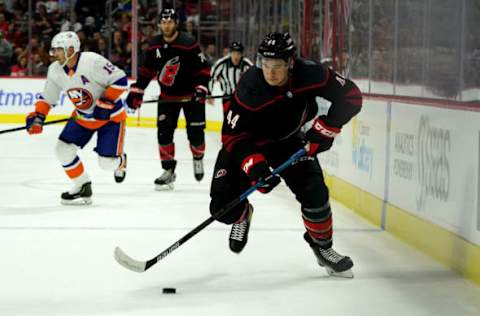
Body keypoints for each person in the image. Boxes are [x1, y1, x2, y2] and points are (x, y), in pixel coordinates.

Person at [209, 32, 362, 278]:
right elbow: (232, 136)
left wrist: (325, 129)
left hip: (287, 142)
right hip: (248, 143)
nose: (270, 73)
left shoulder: (311, 73)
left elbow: (351, 96)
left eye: (277, 66)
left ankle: (323, 248)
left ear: (290, 63)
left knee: (315, 192)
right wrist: (255, 167)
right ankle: (242, 215)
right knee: (221, 207)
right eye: (265, 65)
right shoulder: (250, 85)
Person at [25, 31, 128, 205]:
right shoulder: (55, 70)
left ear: (71, 49)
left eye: (58, 49)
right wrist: (38, 116)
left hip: (110, 119)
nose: (54, 53)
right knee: (62, 150)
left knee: (107, 164)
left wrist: (105, 102)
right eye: (54, 50)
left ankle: (121, 160)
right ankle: (82, 185)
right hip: (82, 118)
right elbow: (48, 97)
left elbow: (120, 80)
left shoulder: (92, 61)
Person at [126, 7, 211, 190]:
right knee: (163, 135)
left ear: (176, 23)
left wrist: (201, 88)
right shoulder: (154, 44)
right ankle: (168, 171)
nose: (166, 25)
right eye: (163, 22)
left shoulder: (188, 43)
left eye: (169, 22)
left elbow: (203, 69)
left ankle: (198, 158)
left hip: (191, 97)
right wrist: (137, 90)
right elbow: (147, 71)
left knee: (196, 135)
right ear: (159, 24)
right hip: (167, 98)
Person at [207, 41, 253, 107]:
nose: (236, 56)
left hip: (243, 99)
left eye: (238, 53)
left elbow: (256, 79)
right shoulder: (221, 63)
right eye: (234, 53)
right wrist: (209, 94)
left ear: (242, 54)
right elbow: (211, 77)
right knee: (227, 117)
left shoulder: (247, 64)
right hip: (227, 98)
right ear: (230, 53)